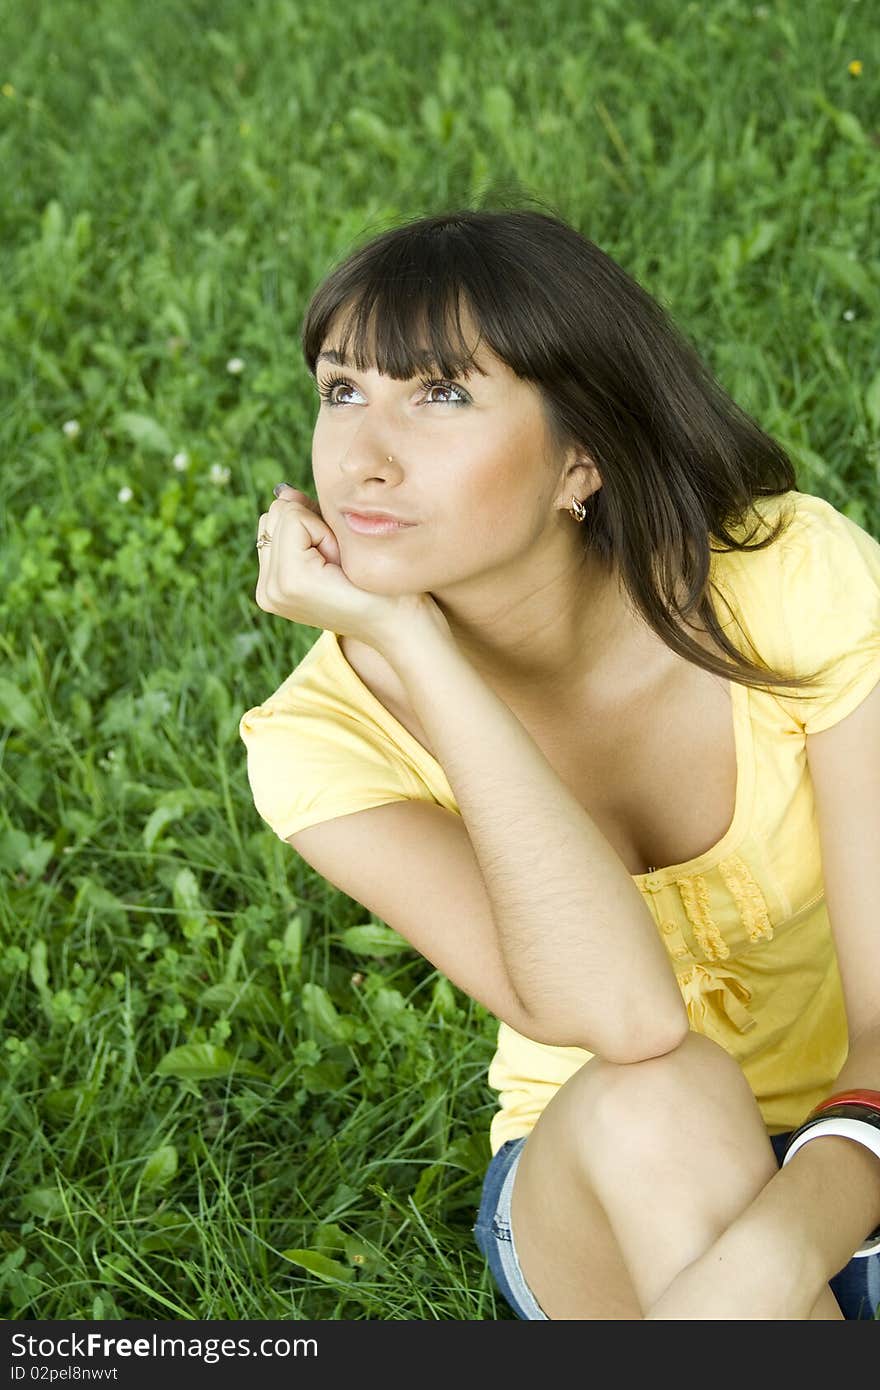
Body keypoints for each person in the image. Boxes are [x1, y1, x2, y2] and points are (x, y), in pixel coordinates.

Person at [238, 207, 880, 1320]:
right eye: (342, 390)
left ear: (579, 455)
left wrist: (770, 1260)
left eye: (441, 393)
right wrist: (414, 648)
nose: (363, 458)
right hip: (595, 1185)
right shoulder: (316, 742)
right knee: (660, 1095)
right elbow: (626, 1019)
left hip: (858, 1143)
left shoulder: (784, 580)